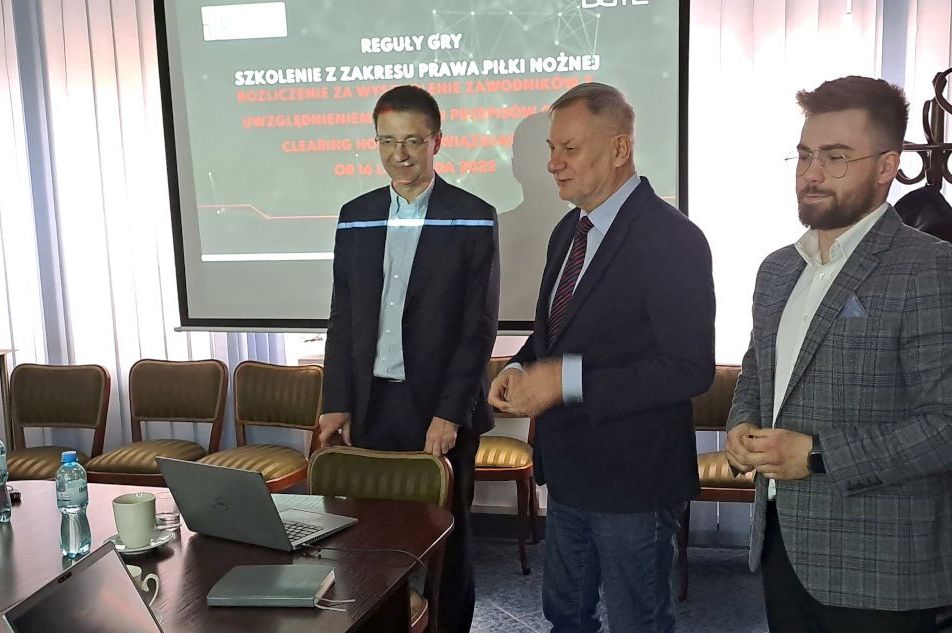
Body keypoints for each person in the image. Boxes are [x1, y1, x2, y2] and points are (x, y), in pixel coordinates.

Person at [725, 75, 952, 633]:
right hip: (784, 547)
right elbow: (759, 372)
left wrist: (817, 455)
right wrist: (741, 426)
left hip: (882, 570)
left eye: (836, 157)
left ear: (886, 167)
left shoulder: (929, 267)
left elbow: (945, 425)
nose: (812, 172)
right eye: (804, 155)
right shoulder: (778, 269)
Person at [489, 82, 715, 632]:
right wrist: (519, 366)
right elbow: (553, 335)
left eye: (569, 149)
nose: (553, 164)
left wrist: (565, 381)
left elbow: (689, 367)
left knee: (638, 622)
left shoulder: (672, 237)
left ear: (619, 148)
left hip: (634, 482)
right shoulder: (568, 231)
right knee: (566, 616)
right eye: (551, 149)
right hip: (568, 472)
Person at [318, 85, 499, 633]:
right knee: (370, 537)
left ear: (436, 141)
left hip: (439, 411)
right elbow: (343, 316)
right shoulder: (356, 216)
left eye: (413, 141)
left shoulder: (473, 216)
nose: (399, 155)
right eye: (387, 141)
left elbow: (477, 327)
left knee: (444, 541)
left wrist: (450, 412)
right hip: (372, 404)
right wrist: (336, 400)